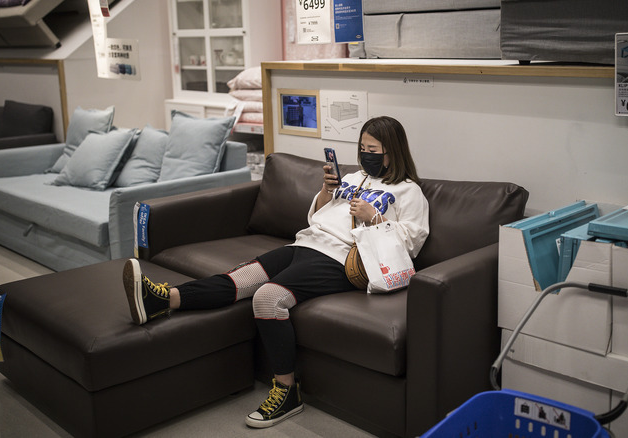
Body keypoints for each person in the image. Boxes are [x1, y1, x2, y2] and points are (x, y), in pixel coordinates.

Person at [121, 116, 430, 429]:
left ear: (392, 151)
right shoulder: (354, 176)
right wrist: (326, 191)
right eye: (362, 147)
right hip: (305, 243)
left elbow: (413, 243)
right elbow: (318, 216)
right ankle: (162, 300)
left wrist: (375, 216)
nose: (365, 155)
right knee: (239, 279)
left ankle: (286, 391)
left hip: (340, 259)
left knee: (268, 298)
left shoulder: (409, 192)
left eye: (373, 149)